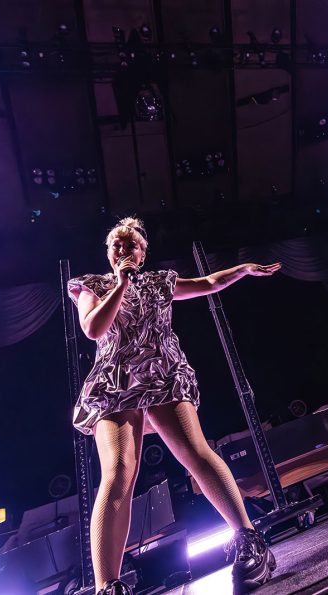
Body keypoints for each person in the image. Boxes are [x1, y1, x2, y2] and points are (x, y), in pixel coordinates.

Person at [67, 217, 280, 595]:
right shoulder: (93, 285)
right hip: (115, 381)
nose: (122, 249)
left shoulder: (158, 282)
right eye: (116, 244)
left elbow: (209, 283)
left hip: (162, 371)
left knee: (195, 453)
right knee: (118, 470)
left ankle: (250, 541)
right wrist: (121, 284)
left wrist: (244, 269)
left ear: (143, 253)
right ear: (108, 252)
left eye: (130, 244)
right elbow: (94, 329)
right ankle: (107, 587)